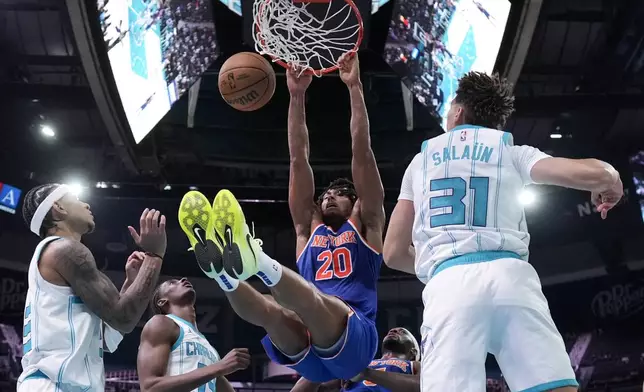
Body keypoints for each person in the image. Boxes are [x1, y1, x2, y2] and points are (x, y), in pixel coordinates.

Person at [383, 71, 623, 392]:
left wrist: (440, 263)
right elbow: (598, 173)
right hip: (510, 278)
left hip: (449, 285)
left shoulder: (420, 162)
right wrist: (612, 182)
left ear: (457, 112)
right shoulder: (509, 150)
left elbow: (394, 252)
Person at [178, 53, 385, 382]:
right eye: (325, 195)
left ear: (356, 202)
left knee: (309, 302)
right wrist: (296, 94)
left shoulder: (368, 223)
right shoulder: (308, 227)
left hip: (353, 342)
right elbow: (298, 158)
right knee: (270, 312)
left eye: (339, 194)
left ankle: (255, 260)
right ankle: (221, 272)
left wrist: (354, 87)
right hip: (310, 354)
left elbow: (362, 150)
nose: (328, 196)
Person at [18, 183, 167, 392]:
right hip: (54, 385)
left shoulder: (61, 255)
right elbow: (124, 317)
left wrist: (130, 284)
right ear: (58, 208)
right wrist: (155, 255)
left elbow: (105, 337)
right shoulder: (64, 250)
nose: (86, 204)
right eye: (77, 199)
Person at [137, 277, 251, 392]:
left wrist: (221, 367)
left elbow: (216, 375)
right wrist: (220, 366)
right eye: (172, 283)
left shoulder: (208, 347)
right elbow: (149, 388)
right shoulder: (161, 323)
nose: (183, 279)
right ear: (162, 301)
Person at [291, 327, 421, 392]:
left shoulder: (416, 364)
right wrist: (324, 362)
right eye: (394, 330)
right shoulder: (360, 364)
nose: (393, 330)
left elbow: (425, 387)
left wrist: (366, 373)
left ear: (413, 352)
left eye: (402, 332)